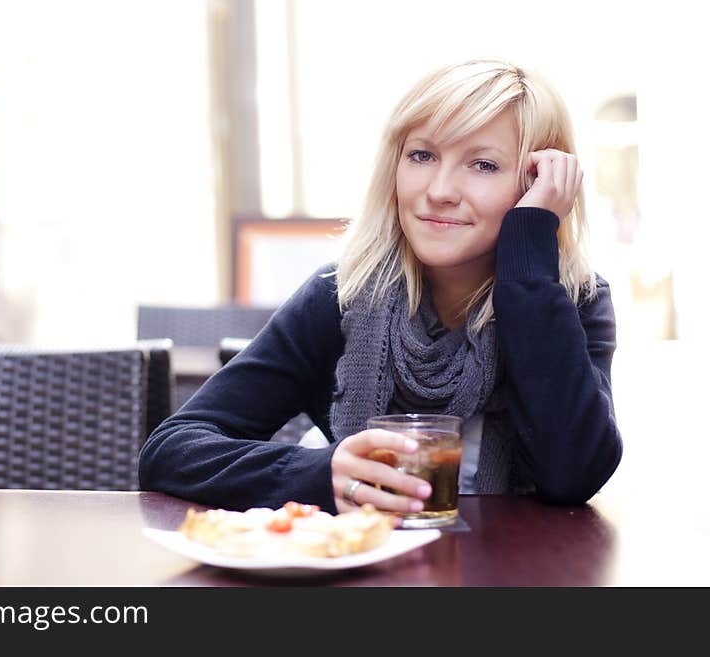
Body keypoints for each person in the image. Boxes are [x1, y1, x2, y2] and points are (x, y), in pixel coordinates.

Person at [138, 59, 622, 517]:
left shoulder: (575, 300)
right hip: (361, 569)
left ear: (537, 181)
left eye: (484, 165)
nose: (439, 190)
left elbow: (574, 475)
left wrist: (529, 258)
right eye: (422, 155)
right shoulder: (340, 295)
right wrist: (321, 472)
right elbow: (173, 450)